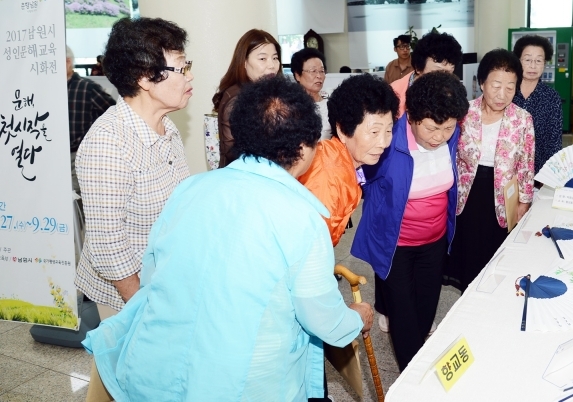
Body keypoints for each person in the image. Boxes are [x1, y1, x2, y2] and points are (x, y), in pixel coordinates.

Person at [82, 75, 373, 401]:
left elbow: (153, 275)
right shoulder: (302, 217)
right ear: (305, 148)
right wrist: (355, 318)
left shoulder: (190, 189)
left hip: (158, 372)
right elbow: (322, 318)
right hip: (246, 383)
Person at [75, 17, 191, 320]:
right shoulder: (108, 143)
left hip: (163, 283)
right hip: (126, 297)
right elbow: (108, 249)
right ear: (144, 77)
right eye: (181, 67)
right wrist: (144, 307)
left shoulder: (167, 127)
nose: (189, 77)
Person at [352, 72, 469, 371]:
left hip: (434, 239)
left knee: (426, 311)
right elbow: (360, 174)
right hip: (396, 246)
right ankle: (413, 378)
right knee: (403, 317)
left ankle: (418, 369)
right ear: (413, 117)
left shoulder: (450, 134)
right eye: (431, 128)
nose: (439, 136)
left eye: (448, 128)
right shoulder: (389, 141)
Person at [444, 48, 535, 292]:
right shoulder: (464, 112)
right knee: (469, 254)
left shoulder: (523, 119)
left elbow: (526, 164)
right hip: (469, 192)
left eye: (510, 87)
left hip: (504, 195)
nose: (502, 94)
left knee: (497, 255)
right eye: (496, 85)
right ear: (482, 82)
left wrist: (524, 202)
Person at [299, 73, 399, 247]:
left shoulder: (341, 160)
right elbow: (310, 250)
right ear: (343, 130)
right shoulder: (328, 177)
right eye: (374, 132)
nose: (384, 143)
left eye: (389, 131)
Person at [212, 29, 281, 168]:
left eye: (275, 58)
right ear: (243, 62)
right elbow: (236, 153)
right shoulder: (237, 99)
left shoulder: (264, 92)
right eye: (263, 59)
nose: (272, 65)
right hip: (242, 179)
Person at [66, 46, 116, 196]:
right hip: (53, 156)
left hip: (78, 157)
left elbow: (113, 113)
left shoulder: (87, 87)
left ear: (67, 62)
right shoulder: (48, 89)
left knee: (76, 200)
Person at [512, 35, 562, 177]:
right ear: (518, 61)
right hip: (505, 169)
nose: (533, 65)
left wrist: (549, 175)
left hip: (538, 171)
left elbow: (554, 142)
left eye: (539, 60)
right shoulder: (507, 92)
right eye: (527, 60)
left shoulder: (551, 98)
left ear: (545, 63)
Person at [391, 31, 462, 116]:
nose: (445, 78)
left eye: (449, 72)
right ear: (418, 68)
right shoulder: (394, 93)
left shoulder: (454, 92)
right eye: (439, 72)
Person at [292, 48, 333, 140]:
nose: (319, 76)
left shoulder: (331, 103)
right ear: (297, 75)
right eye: (313, 71)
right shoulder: (291, 106)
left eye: (322, 71)